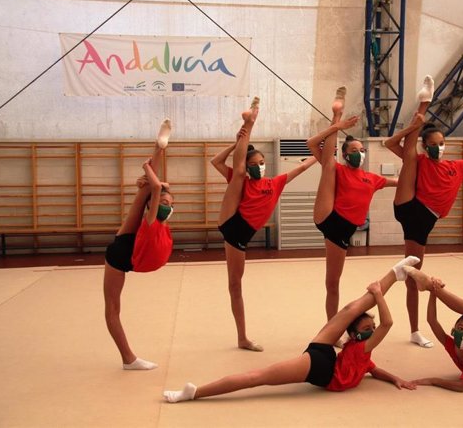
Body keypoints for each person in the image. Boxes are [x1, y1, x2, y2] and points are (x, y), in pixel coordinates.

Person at [163, 256, 433, 402]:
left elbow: (373, 369)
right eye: (367, 327)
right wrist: (378, 292)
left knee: (350, 310)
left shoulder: (362, 352)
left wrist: (395, 378)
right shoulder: (362, 345)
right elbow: (387, 324)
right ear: (353, 336)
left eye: (371, 327)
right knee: (258, 376)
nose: (372, 329)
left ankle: (395, 274)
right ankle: (195, 392)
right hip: (319, 363)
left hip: (324, 366)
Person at [384, 76, 463, 349]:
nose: (438, 147)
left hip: (425, 220)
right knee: (408, 157)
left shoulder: (457, 166)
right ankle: (423, 103)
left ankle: (414, 329)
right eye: (433, 143)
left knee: (413, 274)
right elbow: (390, 145)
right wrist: (415, 127)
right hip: (410, 206)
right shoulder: (419, 159)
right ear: (425, 145)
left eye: (442, 143)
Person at [212, 98, 317, 352]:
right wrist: (237, 142)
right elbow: (216, 162)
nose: (259, 166)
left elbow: (302, 167)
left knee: (235, 285)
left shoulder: (275, 182)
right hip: (232, 222)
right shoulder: (243, 180)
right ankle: (250, 122)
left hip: (243, 233)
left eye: (261, 162)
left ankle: (241, 338)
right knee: (235, 174)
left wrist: (321, 154)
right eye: (253, 164)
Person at [306, 87, 398, 326]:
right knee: (328, 165)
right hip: (330, 217)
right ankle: (335, 113)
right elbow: (312, 143)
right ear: (346, 155)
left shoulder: (372, 179)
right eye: (354, 150)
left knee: (333, 282)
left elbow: (400, 182)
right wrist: (337, 125)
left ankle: (331, 325)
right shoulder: (339, 169)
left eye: (362, 150)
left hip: (346, 229)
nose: (359, 153)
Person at [103, 119, 174, 370]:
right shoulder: (151, 218)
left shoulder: (159, 223)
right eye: (163, 201)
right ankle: (128, 359)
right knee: (112, 308)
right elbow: (155, 187)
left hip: (133, 244)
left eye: (169, 202)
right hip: (121, 254)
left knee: (144, 190)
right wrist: (147, 168)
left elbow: (155, 187)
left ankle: (159, 147)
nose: (166, 204)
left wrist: (153, 181)